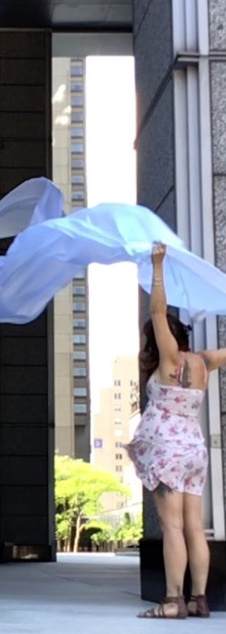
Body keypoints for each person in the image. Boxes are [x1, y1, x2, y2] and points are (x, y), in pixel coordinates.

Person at [126, 242, 226, 619]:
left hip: (168, 452)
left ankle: (172, 601)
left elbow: (156, 310)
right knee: (194, 527)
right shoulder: (201, 362)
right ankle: (199, 599)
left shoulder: (169, 360)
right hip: (194, 452)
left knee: (171, 526)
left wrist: (158, 266)